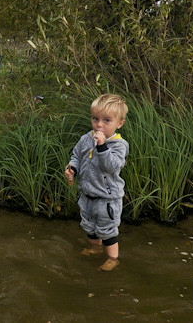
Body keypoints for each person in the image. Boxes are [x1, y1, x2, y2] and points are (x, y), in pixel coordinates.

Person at [64, 94, 129, 271]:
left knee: (107, 230)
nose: (99, 124)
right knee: (89, 226)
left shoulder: (119, 145)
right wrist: (72, 170)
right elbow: (76, 156)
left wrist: (102, 147)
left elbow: (112, 167)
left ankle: (113, 258)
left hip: (107, 199)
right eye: (95, 119)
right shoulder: (86, 138)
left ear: (119, 123)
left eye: (106, 120)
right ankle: (95, 248)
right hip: (87, 195)